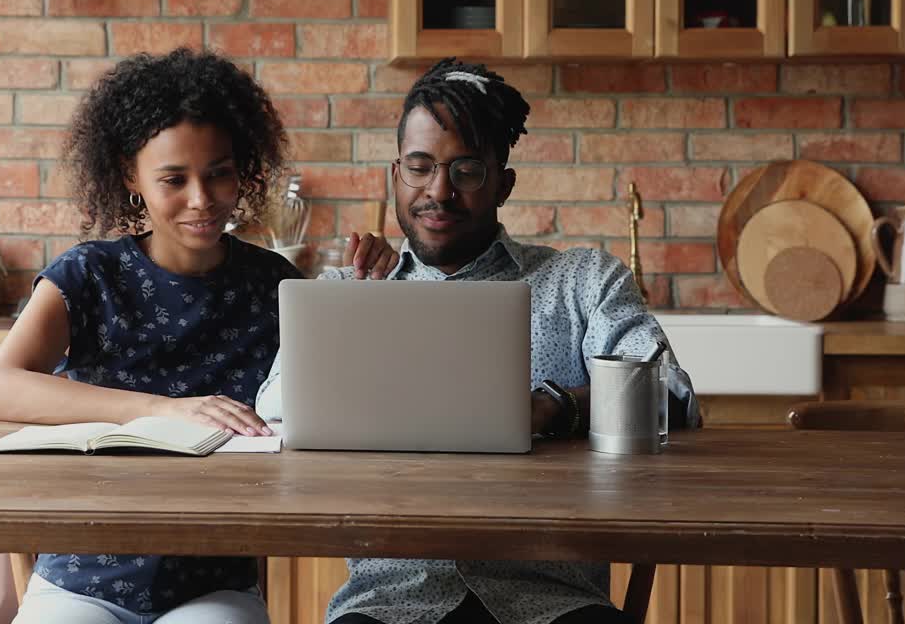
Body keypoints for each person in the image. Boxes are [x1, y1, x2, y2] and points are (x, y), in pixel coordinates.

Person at [255, 57, 700, 624]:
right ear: (396, 176)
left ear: (502, 182)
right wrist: (368, 312)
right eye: (420, 168)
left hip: (552, 596)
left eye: (465, 170)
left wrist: (553, 406)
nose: (438, 191)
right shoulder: (350, 290)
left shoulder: (584, 280)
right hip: (392, 602)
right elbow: (272, 412)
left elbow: (671, 395)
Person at [0, 48, 396, 624]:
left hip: (214, 582)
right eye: (174, 179)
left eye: (218, 173)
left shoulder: (273, 284)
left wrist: (375, 291)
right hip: (80, 576)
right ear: (131, 176)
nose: (202, 200)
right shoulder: (88, 274)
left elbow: (346, 403)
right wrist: (165, 411)